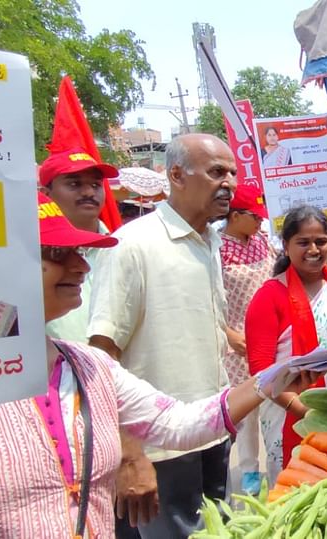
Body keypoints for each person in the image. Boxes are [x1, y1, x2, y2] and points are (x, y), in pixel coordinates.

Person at [0, 192, 317, 538]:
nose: (82, 268)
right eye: (55, 255)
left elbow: (175, 423)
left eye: (78, 252)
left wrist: (272, 378)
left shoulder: (86, 366)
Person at [88, 133, 235, 538]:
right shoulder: (132, 245)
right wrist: (129, 453)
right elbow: (100, 357)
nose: (230, 183)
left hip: (211, 432)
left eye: (233, 173)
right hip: (159, 450)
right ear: (176, 175)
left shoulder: (209, 241)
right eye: (217, 172)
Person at [245, 205, 327, 482]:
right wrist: (305, 412)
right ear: (285, 245)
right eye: (303, 242)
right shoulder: (269, 297)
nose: (314, 249)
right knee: (296, 495)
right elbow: (261, 371)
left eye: (321, 241)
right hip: (290, 416)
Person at [217, 184, 277, 496]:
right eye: (255, 216)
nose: (260, 222)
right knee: (247, 408)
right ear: (236, 216)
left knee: (277, 398)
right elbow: (208, 299)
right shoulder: (217, 249)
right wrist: (229, 334)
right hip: (238, 340)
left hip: (272, 333)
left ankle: (280, 459)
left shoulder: (263, 242)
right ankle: (250, 468)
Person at [38, 147, 119, 343]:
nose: (89, 192)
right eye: (74, 184)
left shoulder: (126, 246)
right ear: (46, 193)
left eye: (96, 184)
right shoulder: (24, 251)